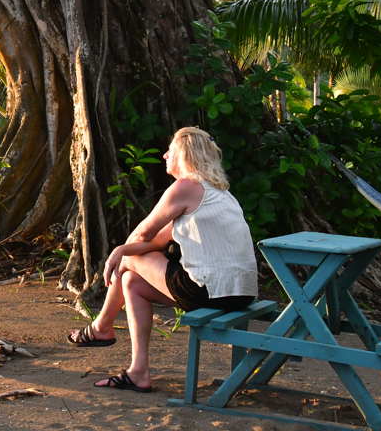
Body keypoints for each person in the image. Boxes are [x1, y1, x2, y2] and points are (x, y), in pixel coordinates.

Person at [67, 126, 258, 393]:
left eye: (171, 150)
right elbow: (155, 241)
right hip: (240, 294)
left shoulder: (186, 187)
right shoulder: (220, 194)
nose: (165, 155)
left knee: (130, 263)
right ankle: (138, 372)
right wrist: (128, 250)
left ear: (183, 154)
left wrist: (119, 251)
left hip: (209, 292)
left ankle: (101, 326)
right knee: (132, 282)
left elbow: (143, 233)